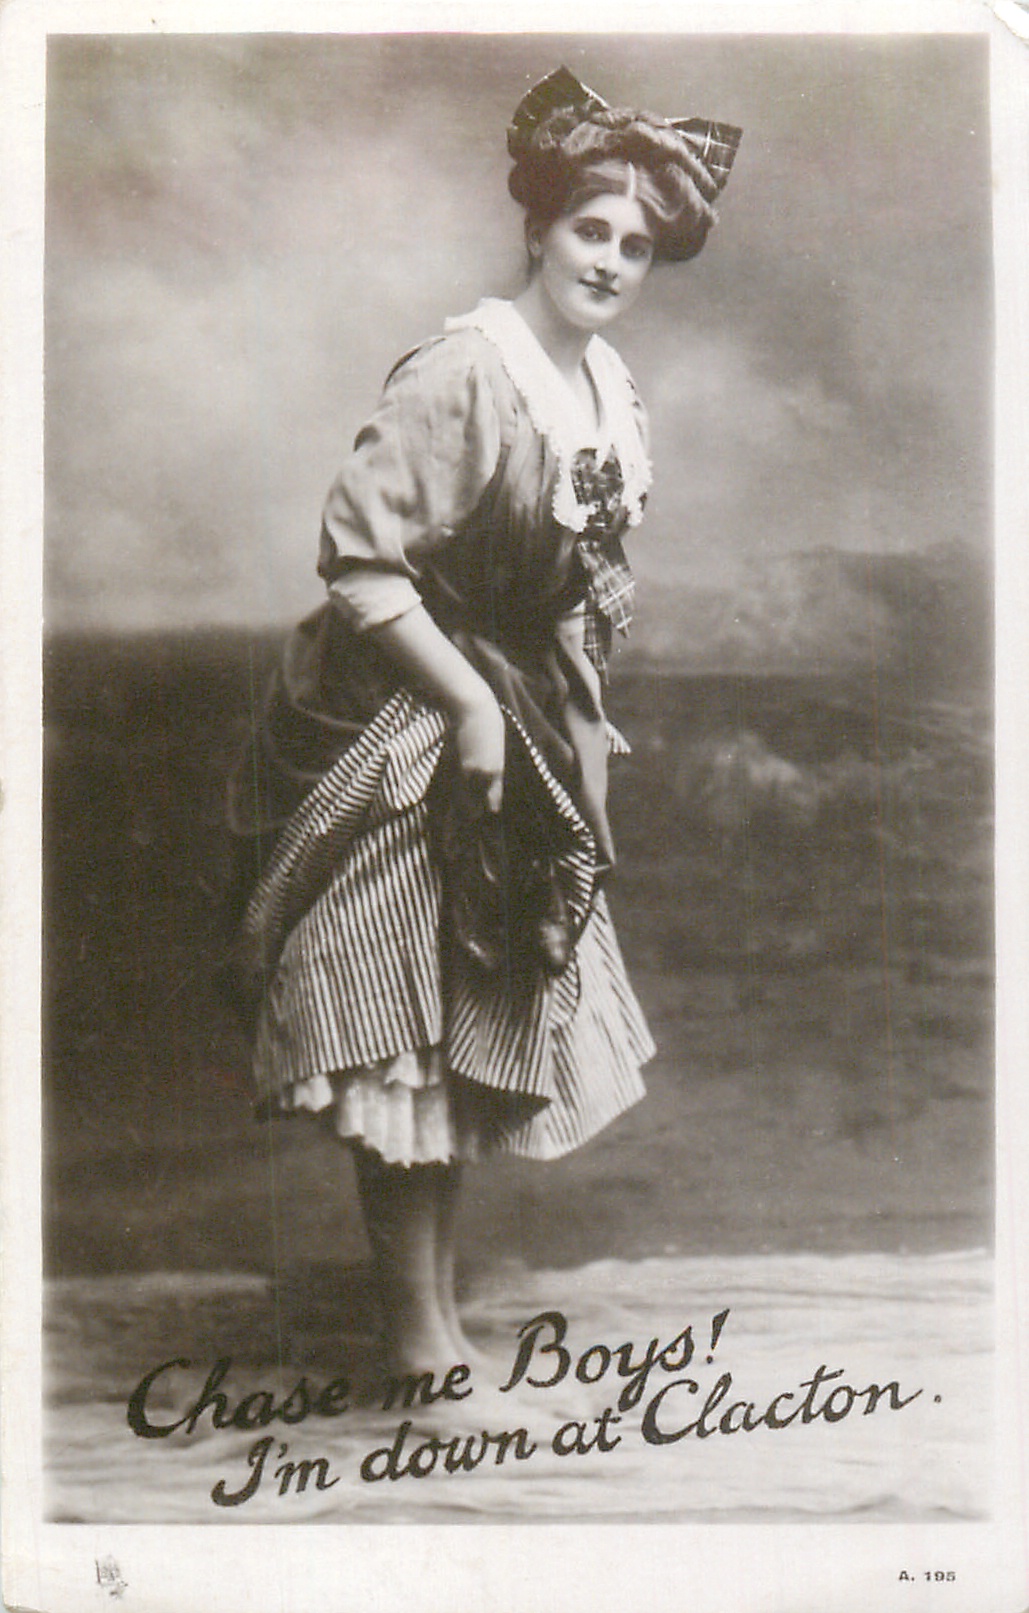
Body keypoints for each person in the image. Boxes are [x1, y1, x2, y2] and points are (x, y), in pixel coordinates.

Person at [221, 67, 741, 1377]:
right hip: (406, 720)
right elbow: (359, 561)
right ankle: (418, 1343)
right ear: (539, 230)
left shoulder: (605, 391)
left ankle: (434, 1327)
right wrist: (468, 705)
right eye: (588, 230)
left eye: (633, 245)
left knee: (466, 1034)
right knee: (405, 1029)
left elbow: (578, 592)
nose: (608, 261)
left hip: (525, 715)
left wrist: (583, 744)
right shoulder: (465, 371)